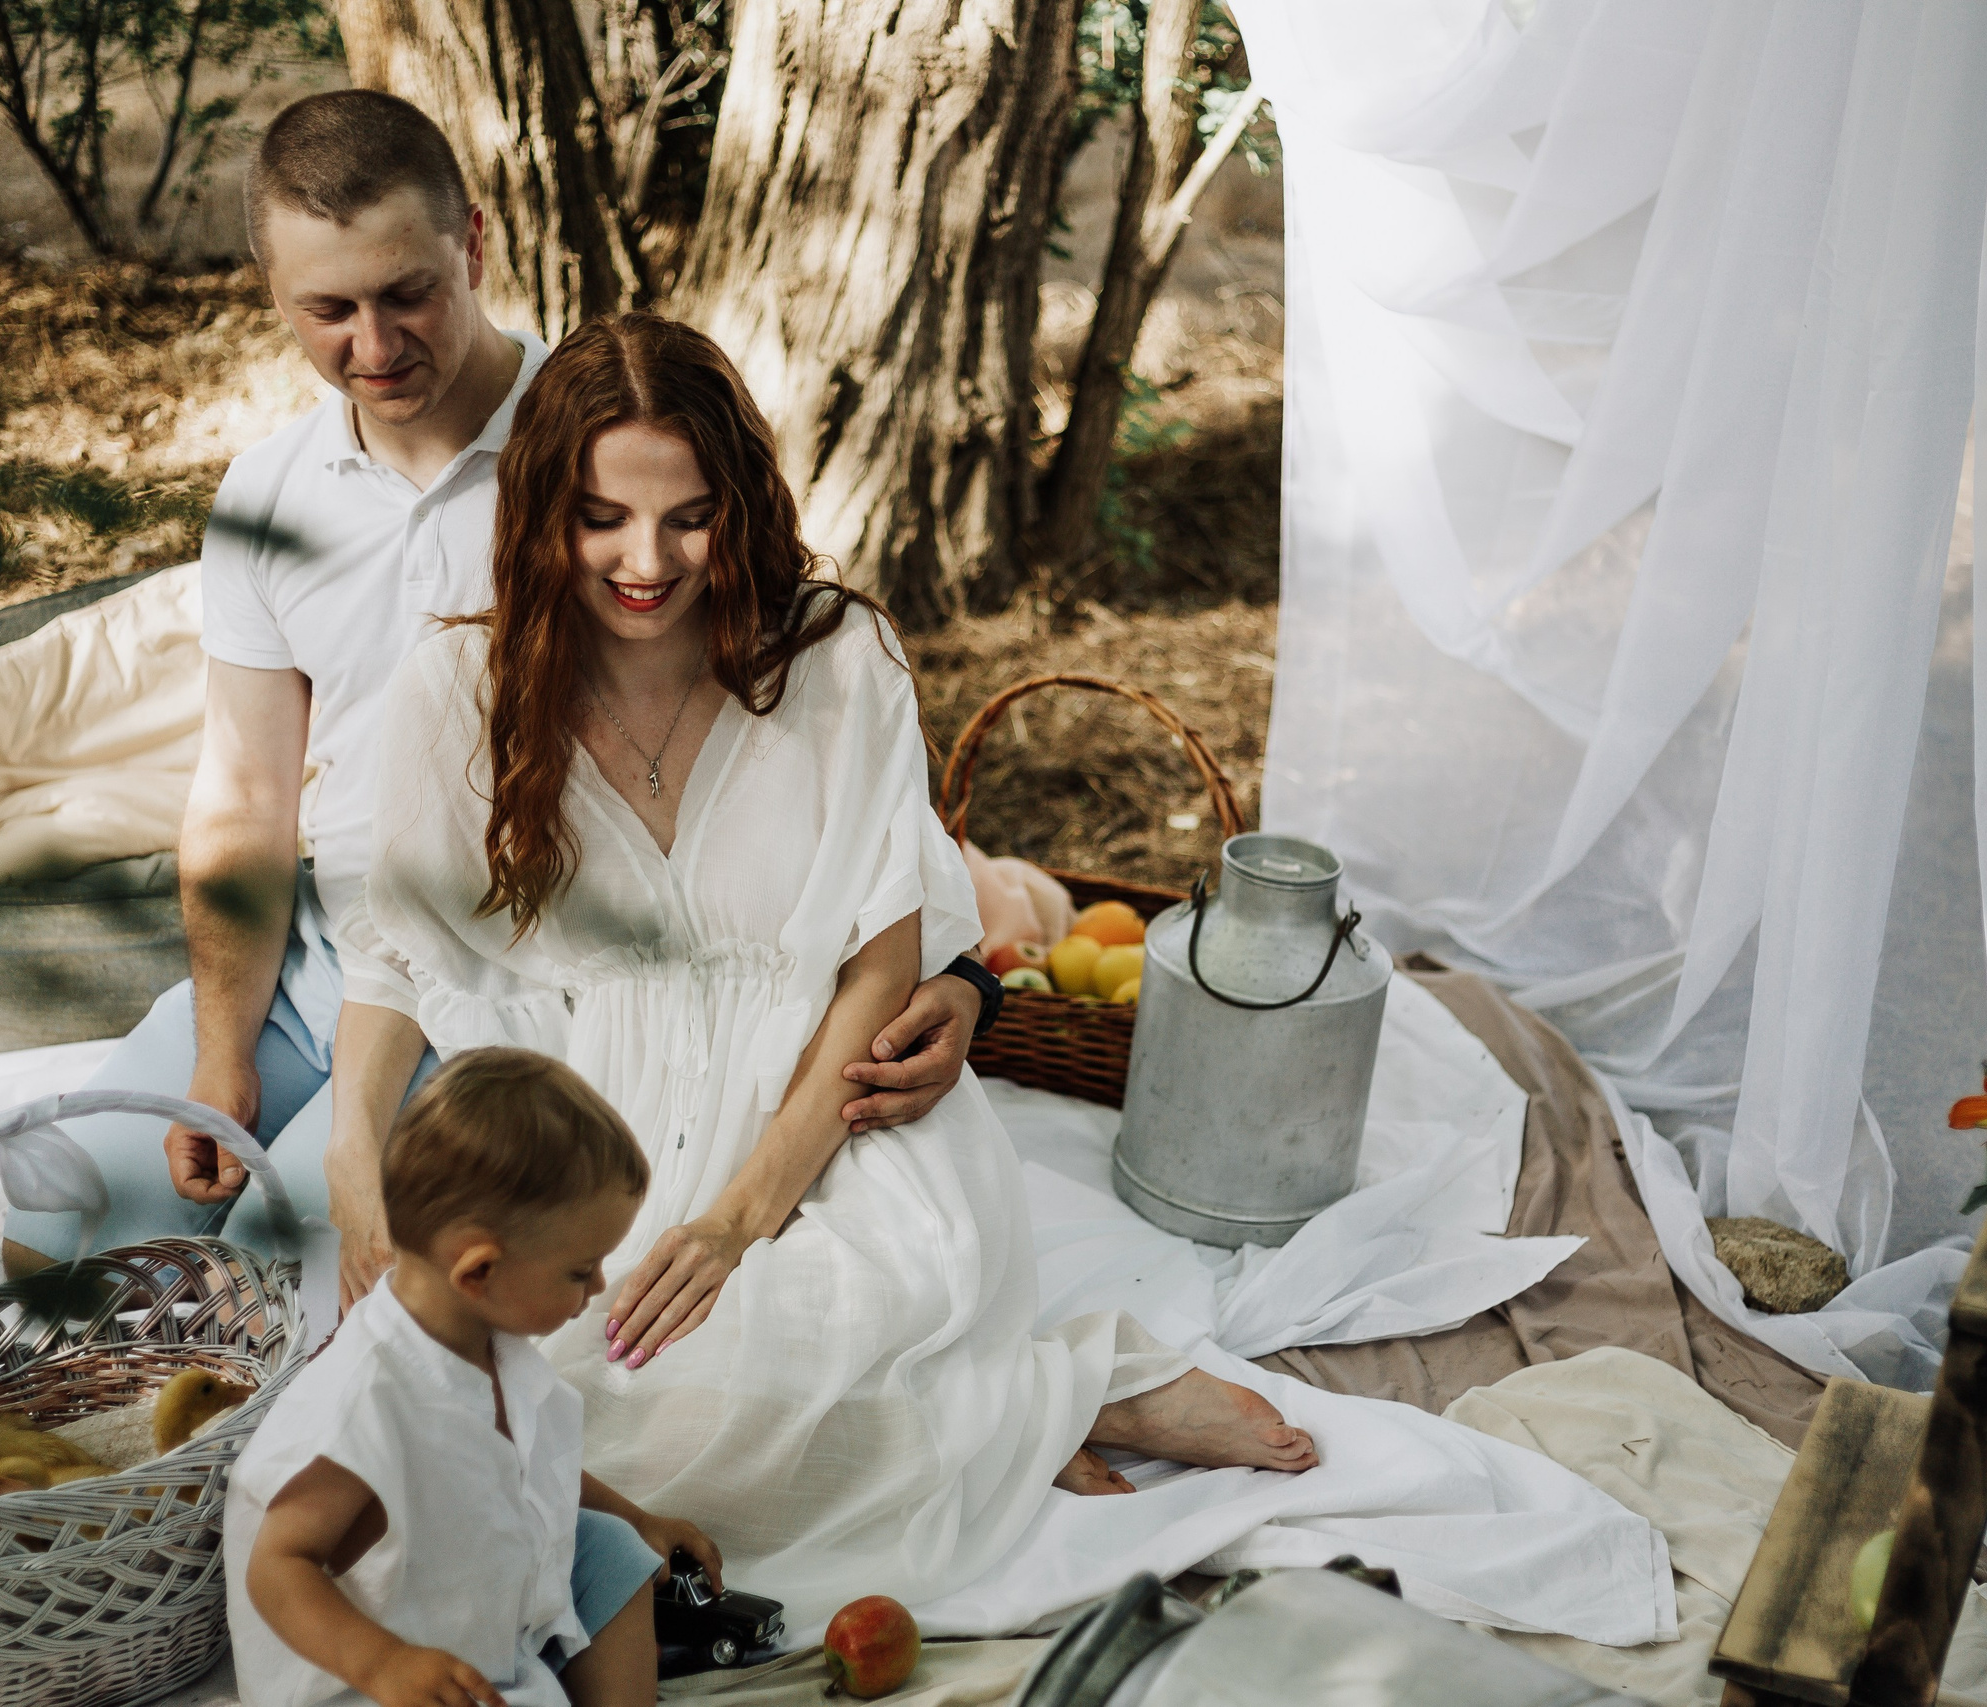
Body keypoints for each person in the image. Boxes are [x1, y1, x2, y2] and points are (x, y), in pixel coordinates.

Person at [331, 313, 1319, 1632]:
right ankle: (1009, 1416)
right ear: (538, 513)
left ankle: (1050, 1393)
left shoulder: (834, 656)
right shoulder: (459, 684)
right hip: (586, 1121)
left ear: (741, 505)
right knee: (548, 1411)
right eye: (601, 518)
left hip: (824, 1102)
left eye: (690, 519)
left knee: (813, 1333)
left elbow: (881, 953)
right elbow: (395, 955)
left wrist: (739, 1220)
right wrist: (357, 1173)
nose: (646, 562)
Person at [4, 91, 990, 1275]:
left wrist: (963, 976)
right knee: (55, 1229)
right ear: (274, 292)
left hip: (506, 973)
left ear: (472, 245)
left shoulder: (601, 443)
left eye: (406, 293)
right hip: (329, 954)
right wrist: (224, 1048)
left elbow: (797, 747)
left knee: (305, 1268)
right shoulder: (268, 495)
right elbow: (245, 798)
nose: (375, 348)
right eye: (329, 309)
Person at [229, 1047, 716, 1707]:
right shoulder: (365, 1398)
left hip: (468, 1597)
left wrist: (636, 1516)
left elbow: (519, 1459)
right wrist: (385, 1664)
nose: (598, 1285)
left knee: (612, 1550)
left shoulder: (486, 1339)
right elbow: (277, 1567)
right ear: (479, 1270)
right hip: (369, 1672)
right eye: (580, 1270)